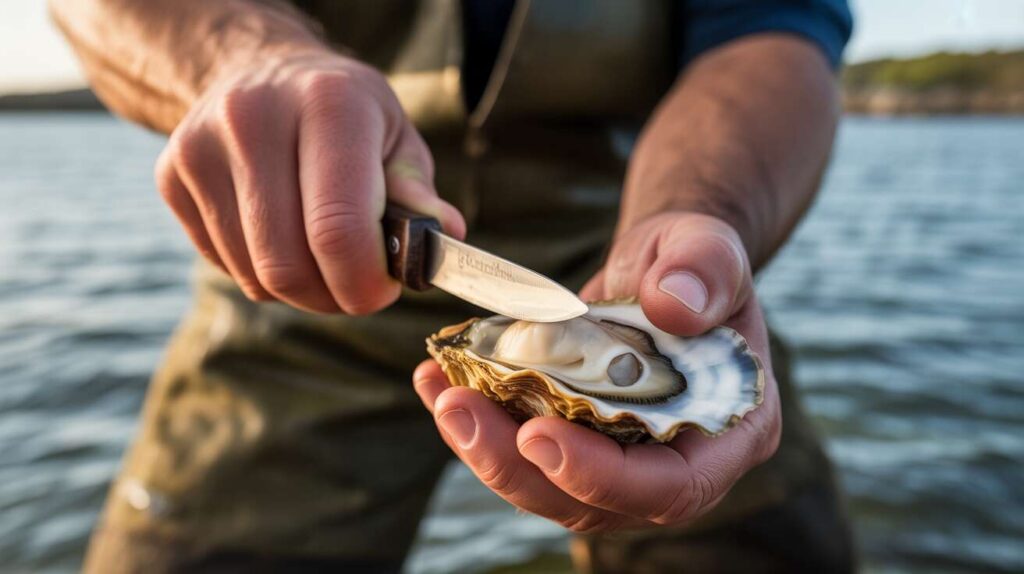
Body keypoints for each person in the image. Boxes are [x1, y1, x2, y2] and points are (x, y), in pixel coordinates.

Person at [51, 0, 856, 572]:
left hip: (630, 269)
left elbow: (770, 36)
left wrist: (697, 221)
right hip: (301, 271)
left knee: (762, 541)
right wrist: (247, 53)